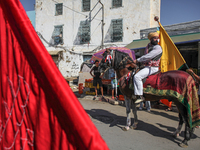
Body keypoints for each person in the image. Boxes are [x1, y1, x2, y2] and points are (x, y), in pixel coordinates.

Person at [133, 32, 163, 103]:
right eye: (155, 38)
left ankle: (140, 96)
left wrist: (137, 60)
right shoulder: (149, 46)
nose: (156, 40)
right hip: (146, 66)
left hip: (152, 68)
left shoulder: (158, 47)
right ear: (151, 39)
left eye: (157, 38)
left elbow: (148, 56)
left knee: (137, 76)